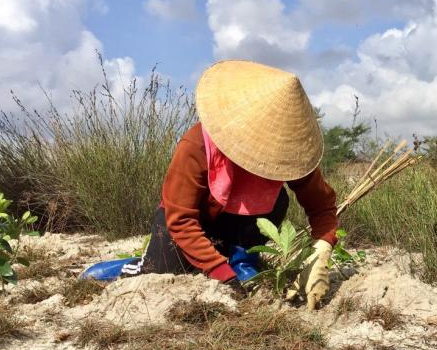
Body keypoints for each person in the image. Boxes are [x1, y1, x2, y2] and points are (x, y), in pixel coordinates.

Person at [123, 60, 337, 309]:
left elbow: (322, 207)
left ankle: (242, 259)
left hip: (237, 226)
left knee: (278, 200)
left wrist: (321, 253)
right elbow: (181, 220)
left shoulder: (290, 153)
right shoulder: (197, 146)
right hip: (191, 221)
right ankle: (124, 266)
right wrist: (224, 277)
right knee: (160, 271)